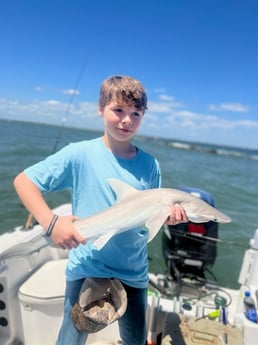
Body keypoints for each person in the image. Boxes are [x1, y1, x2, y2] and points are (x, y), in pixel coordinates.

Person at [13, 75, 188, 345]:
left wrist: (168, 219)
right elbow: (24, 181)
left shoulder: (151, 165)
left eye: (136, 113)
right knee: (70, 339)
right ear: (100, 108)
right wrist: (51, 223)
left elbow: (145, 219)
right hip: (86, 264)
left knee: (135, 340)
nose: (126, 120)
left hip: (133, 269)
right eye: (118, 110)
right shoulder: (79, 154)